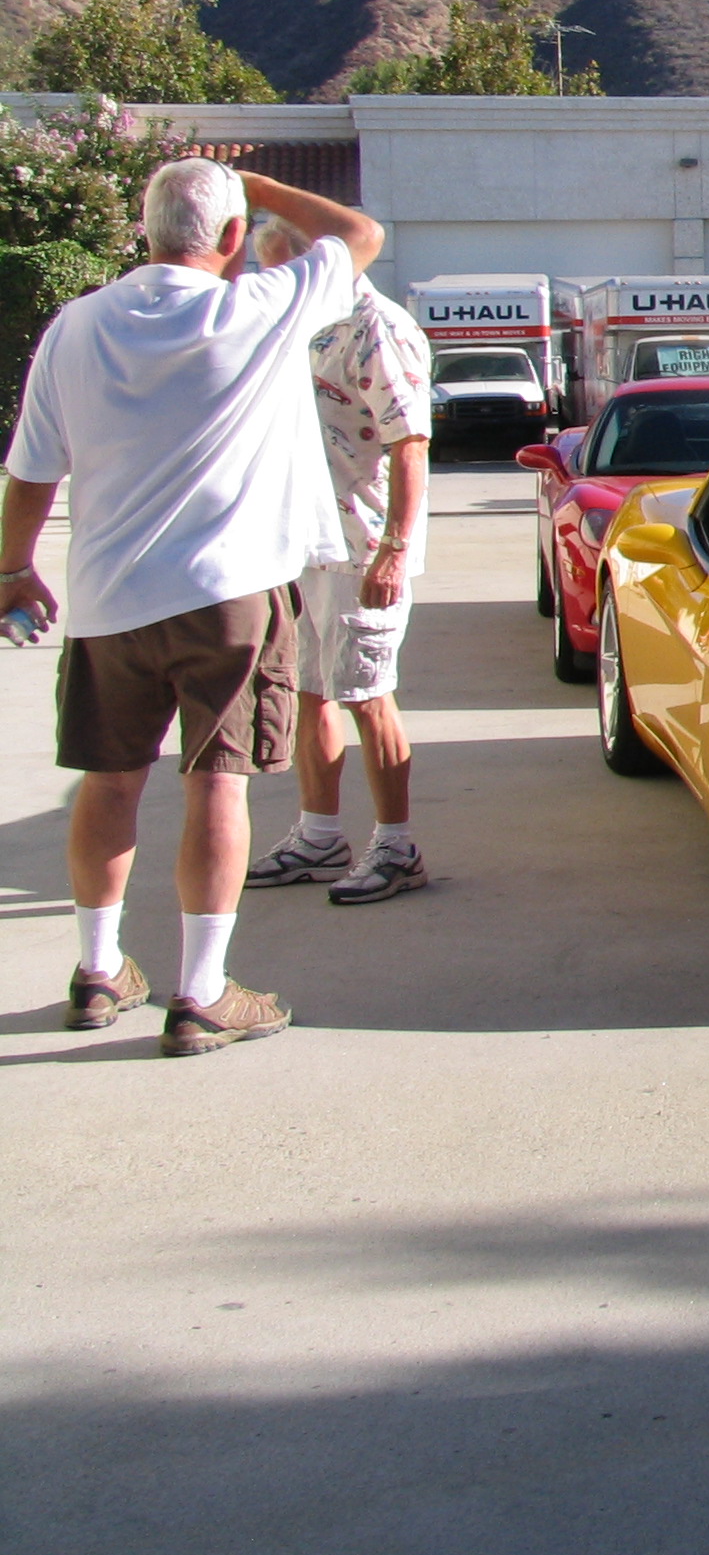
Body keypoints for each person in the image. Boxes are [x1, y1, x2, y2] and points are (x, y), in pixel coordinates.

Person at [0, 160, 384, 1055]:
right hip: (230, 596)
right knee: (218, 780)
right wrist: (261, 187)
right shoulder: (257, 308)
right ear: (226, 239)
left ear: (145, 235)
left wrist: (12, 571)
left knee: (111, 778)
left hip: (107, 597)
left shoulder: (76, 327)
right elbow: (360, 237)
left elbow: (30, 471)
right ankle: (202, 990)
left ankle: (100, 973)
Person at [245, 214, 432, 902]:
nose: (270, 285)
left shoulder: (377, 329)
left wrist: (393, 550)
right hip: (305, 545)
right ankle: (319, 837)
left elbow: (410, 442)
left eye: (279, 271)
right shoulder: (301, 326)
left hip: (362, 548)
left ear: (317, 267)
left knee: (366, 695)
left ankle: (397, 845)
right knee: (310, 691)